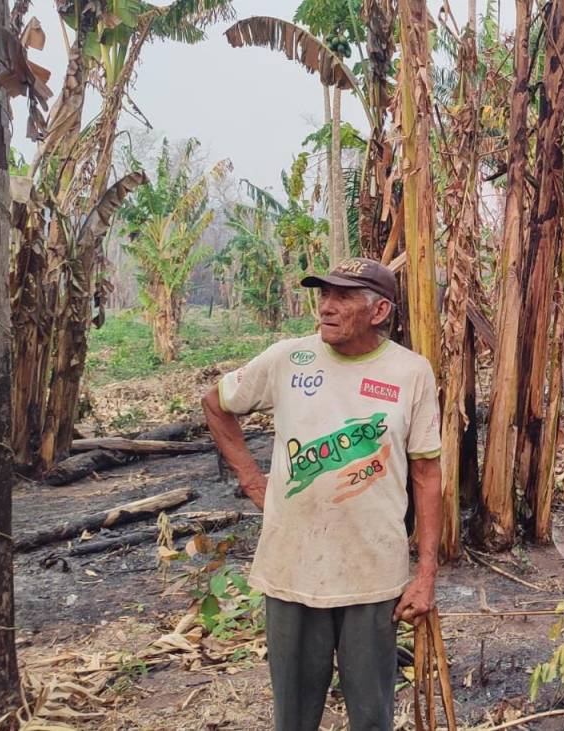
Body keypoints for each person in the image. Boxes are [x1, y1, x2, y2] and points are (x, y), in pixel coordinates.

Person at [202, 257, 442, 731]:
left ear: (379, 311)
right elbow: (217, 403)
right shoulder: (288, 359)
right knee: (293, 717)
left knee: (373, 716)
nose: (326, 308)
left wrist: (426, 573)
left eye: (342, 297)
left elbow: (427, 474)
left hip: (373, 574)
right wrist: (253, 482)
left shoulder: (411, 373)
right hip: (292, 569)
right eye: (323, 295)